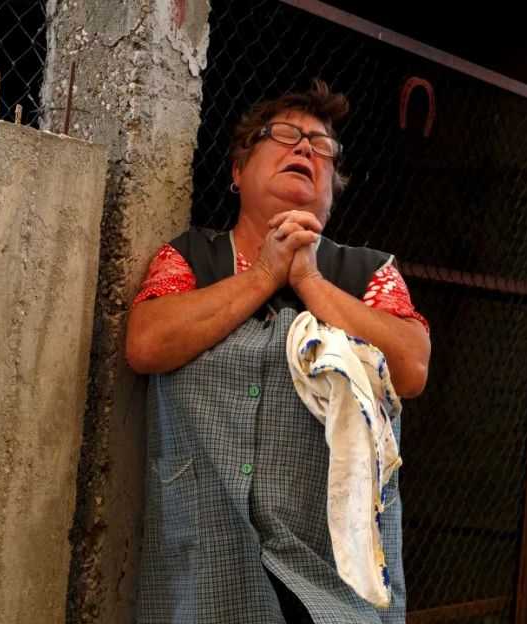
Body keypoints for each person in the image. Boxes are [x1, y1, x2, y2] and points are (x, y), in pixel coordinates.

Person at [125, 80, 431, 624]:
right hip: (207, 559)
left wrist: (309, 279)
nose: (305, 149)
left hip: (329, 572)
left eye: (321, 146)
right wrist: (266, 273)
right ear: (239, 170)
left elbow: (410, 366)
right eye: (284, 136)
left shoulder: (369, 273)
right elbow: (147, 343)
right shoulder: (190, 260)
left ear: (331, 192)